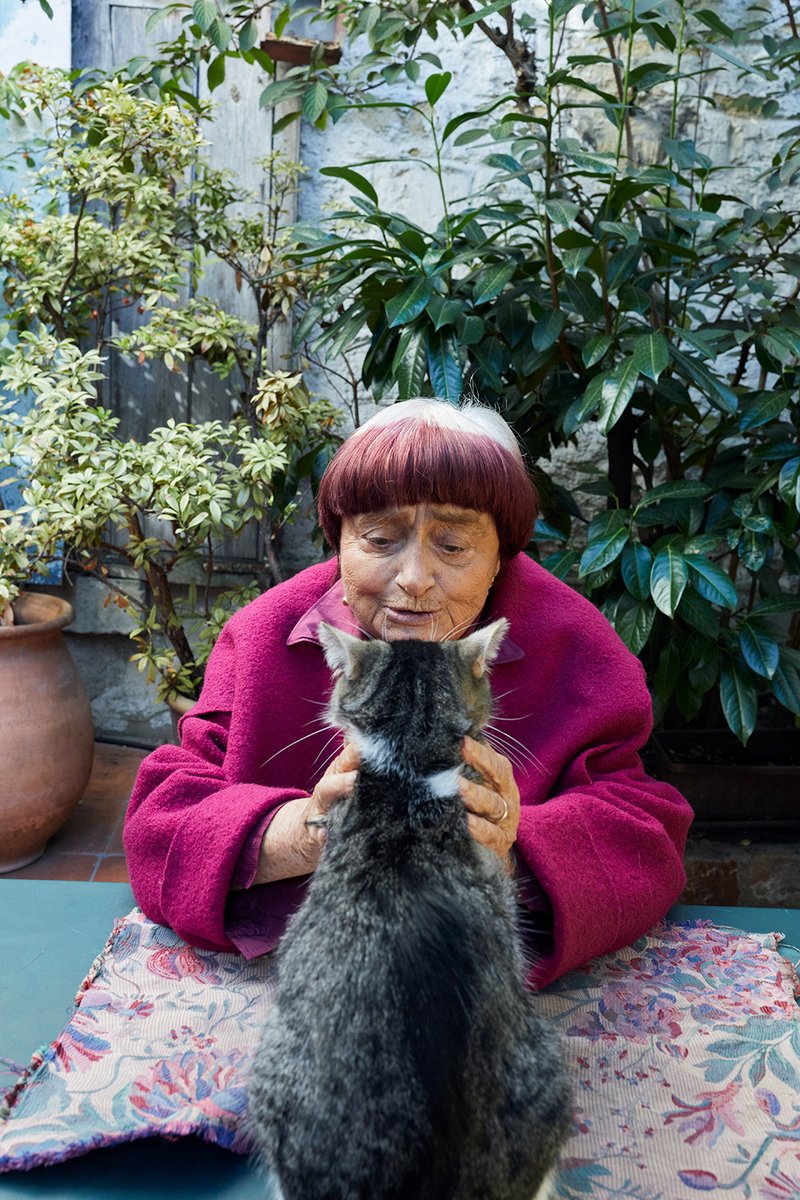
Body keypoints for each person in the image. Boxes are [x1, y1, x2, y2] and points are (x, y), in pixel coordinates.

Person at [123, 399, 692, 987]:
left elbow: (644, 830)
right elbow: (161, 825)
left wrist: (507, 852)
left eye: (454, 546)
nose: (414, 579)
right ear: (339, 541)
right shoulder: (263, 636)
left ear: (501, 556)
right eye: (379, 538)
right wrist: (306, 830)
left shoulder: (574, 644)